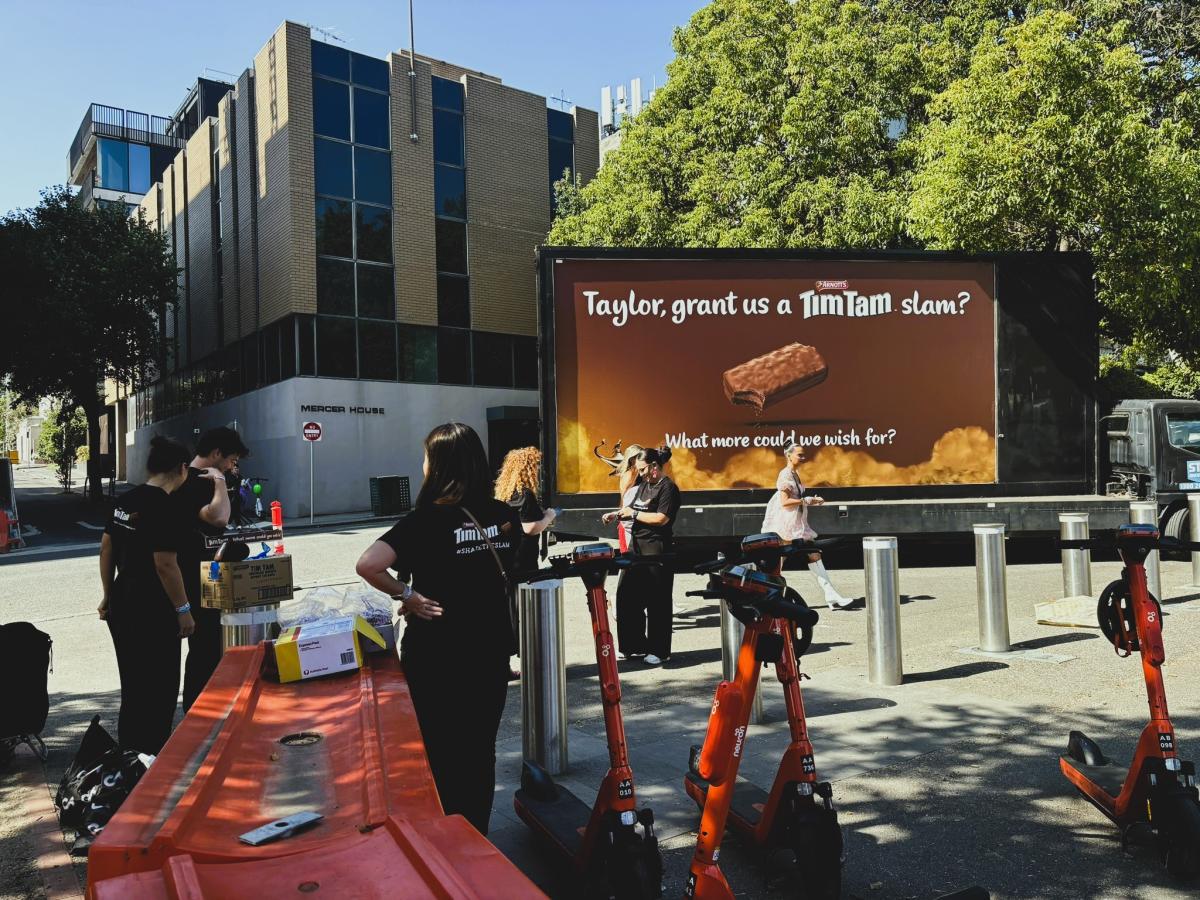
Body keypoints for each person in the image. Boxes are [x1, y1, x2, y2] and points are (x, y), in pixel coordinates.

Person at [355, 423, 520, 834]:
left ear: (438, 464)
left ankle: (444, 835)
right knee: (480, 749)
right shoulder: (503, 517)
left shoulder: (424, 521)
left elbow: (368, 565)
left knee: (439, 749)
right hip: (489, 652)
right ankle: (475, 833)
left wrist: (407, 595)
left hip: (437, 656)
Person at [97, 436, 197, 755]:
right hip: (154, 607)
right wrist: (183, 610)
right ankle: (151, 758)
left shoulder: (125, 501)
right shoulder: (165, 506)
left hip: (123, 600)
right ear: (182, 468)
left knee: (134, 685)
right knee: (160, 687)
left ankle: (130, 756)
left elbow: (106, 548)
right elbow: (165, 564)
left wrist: (107, 595)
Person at [175, 426, 249, 712]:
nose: (232, 466)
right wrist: (219, 481)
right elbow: (219, 519)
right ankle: (198, 711)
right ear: (216, 454)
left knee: (208, 649)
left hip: (207, 576)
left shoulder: (195, 479)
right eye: (231, 460)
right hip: (195, 579)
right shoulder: (196, 481)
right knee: (204, 650)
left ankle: (204, 708)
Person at [603, 446, 681, 665]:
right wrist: (615, 514)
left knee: (658, 601)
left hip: (658, 550)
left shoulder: (668, 489)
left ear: (655, 466)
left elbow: (662, 519)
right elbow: (629, 509)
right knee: (626, 596)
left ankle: (659, 650)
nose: (641, 473)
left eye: (643, 469)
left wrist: (635, 514)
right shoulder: (643, 486)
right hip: (636, 548)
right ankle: (633, 645)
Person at [761, 441, 852, 609]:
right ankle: (767, 598)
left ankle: (831, 595)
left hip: (795, 524)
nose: (803, 457)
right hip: (787, 526)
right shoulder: (785, 475)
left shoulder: (794, 474)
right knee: (779, 562)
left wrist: (811, 501)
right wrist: (806, 500)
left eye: (803, 454)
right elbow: (785, 502)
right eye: (799, 455)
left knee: (812, 554)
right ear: (788, 455)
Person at [494, 447, 557, 680]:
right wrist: (549, 516)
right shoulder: (526, 494)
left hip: (505, 559)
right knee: (526, 613)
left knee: (507, 610)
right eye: (537, 466)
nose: (540, 470)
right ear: (529, 467)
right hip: (524, 560)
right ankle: (532, 664)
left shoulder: (505, 493)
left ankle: (504, 665)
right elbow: (530, 528)